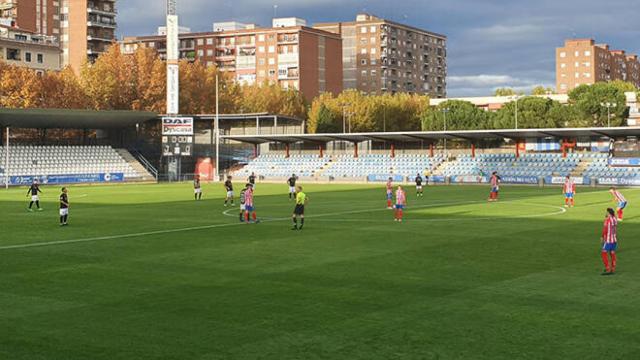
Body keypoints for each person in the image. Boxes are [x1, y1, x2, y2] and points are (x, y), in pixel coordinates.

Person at [600, 208, 619, 275]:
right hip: (614, 239)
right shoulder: (615, 219)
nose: (606, 213)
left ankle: (608, 268)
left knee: (603, 253)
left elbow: (605, 230)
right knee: (612, 253)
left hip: (608, 240)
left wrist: (602, 237)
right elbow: (615, 228)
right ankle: (613, 268)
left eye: (606, 212)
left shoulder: (607, 220)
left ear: (609, 213)